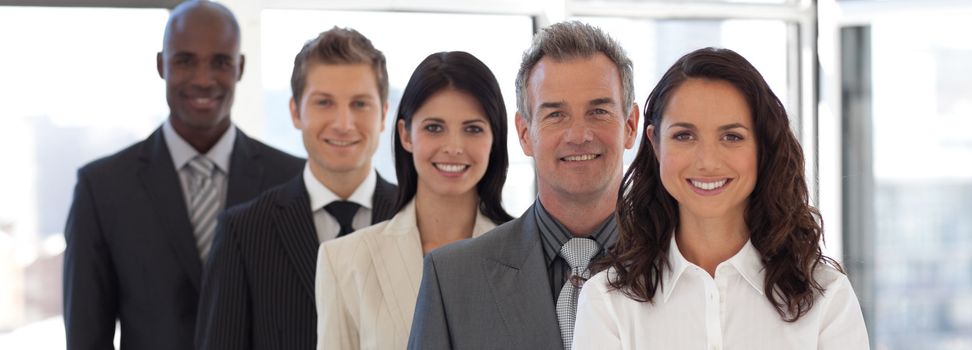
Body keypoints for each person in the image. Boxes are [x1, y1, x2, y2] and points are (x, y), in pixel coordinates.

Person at [572, 47, 870, 349]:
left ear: (762, 147)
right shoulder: (607, 302)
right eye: (684, 135)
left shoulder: (827, 297)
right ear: (655, 144)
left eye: (732, 137)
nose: (708, 161)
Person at [62, 1, 304, 349]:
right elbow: (86, 338)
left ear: (240, 67)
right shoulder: (102, 189)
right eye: (185, 61)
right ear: (162, 65)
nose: (203, 79)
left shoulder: (292, 181)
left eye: (220, 62)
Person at [407, 21, 639, 350]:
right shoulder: (452, 278)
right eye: (555, 114)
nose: (578, 135)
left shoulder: (681, 264)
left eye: (598, 111)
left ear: (630, 126)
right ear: (524, 133)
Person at [194, 26, 398, 350]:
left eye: (360, 104)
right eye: (324, 103)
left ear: (384, 114)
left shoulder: (415, 216)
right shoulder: (244, 232)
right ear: (295, 111)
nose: (343, 123)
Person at [315, 51, 514, 350]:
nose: (454, 147)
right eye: (434, 127)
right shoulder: (345, 261)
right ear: (405, 135)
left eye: (473, 129)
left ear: (494, 138)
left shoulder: (527, 254)